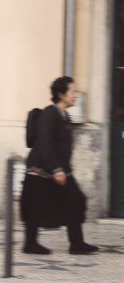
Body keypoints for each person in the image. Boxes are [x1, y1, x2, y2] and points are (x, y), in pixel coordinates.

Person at [20, 76, 99, 255]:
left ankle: (77, 244)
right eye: (72, 91)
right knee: (35, 206)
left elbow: (62, 147)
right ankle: (30, 244)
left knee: (75, 200)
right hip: (40, 170)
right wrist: (56, 168)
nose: (75, 95)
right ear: (61, 94)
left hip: (58, 170)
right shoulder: (50, 113)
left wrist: (64, 169)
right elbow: (45, 143)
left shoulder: (65, 116)